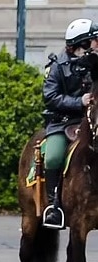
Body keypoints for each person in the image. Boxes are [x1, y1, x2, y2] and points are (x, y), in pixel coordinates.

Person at [41, 18, 98, 229]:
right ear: (80, 45)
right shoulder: (57, 66)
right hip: (63, 122)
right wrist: (79, 101)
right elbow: (51, 97)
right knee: (54, 156)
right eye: (93, 41)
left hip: (90, 120)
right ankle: (54, 206)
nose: (96, 44)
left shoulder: (95, 64)